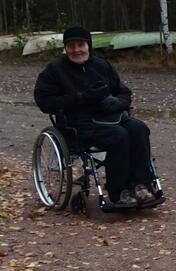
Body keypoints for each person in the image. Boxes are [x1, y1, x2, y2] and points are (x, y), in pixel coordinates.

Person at [34, 26, 160, 207]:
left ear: (89, 46)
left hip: (110, 115)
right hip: (78, 123)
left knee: (139, 128)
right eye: (71, 46)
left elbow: (123, 92)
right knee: (119, 136)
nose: (76, 50)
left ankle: (141, 185)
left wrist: (118, 102)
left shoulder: (101, 65)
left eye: (81, 45)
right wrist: (81, 98)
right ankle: (119, 192)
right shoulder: (55, 70)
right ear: (65, 48)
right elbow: (44, 101)